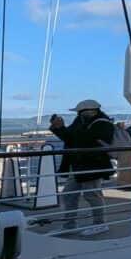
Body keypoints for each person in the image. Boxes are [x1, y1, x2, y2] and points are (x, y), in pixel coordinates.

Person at [49, 99, 115, 231]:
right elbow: (70, 137)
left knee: (92, 195)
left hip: (93, 165)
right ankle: (69, 224)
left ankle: (100, 223)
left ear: (90, 111)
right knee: (69, 194)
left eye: (79, 112)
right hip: (79, 165)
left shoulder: (103, 123)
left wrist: (62, 127)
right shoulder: (80, 121)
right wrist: (58, 128)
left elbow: (85, 140)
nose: (78, 115)